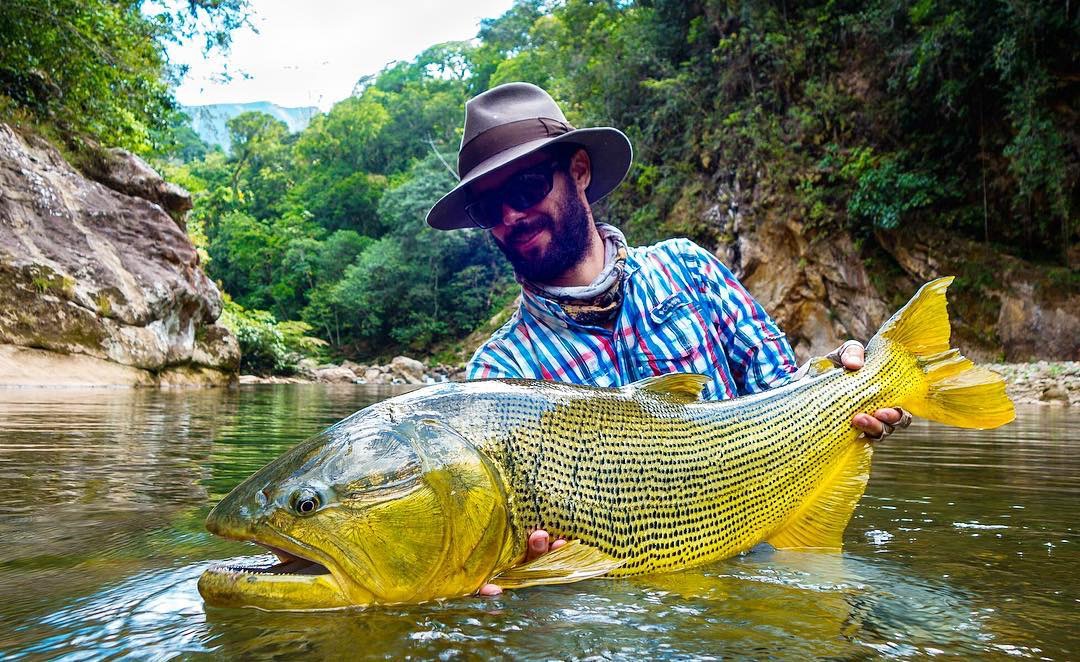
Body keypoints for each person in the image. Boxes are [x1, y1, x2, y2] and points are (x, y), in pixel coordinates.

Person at [426, 82, 909, 594]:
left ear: (580, 171)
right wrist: (518, 585)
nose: (510, 217)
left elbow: (782, 396)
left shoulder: (687, 268)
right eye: (488, 207)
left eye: (525, 189)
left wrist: (850, 390)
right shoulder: (496, 375)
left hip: (770, 565)